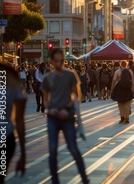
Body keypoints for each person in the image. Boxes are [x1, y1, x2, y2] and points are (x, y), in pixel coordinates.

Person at [41, 49, 89, 184]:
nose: (59, 63)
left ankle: (85, 178)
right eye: (56, 61)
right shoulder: (49, 78)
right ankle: (55, 181)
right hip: (53, 117)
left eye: (61, 61)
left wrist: (66, 108)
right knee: (52, 150)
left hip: (67, 116)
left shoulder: (70, 75)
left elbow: (75, 95)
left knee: (73, 148)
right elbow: (45, 99)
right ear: (51, 61)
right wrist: (50, 110)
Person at [0, 50, 26, 183]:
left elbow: (19, 120)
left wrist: (23, 154)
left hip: (3, 142)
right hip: (5, 140)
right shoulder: (10, 79)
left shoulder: (9, 81)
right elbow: (19, 120)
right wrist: (23, 154)